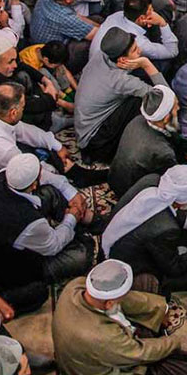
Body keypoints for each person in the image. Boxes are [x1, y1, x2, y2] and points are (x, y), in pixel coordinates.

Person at [0, 153, 94, 290]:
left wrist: (73, 195)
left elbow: (48, 178)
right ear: (33, 184)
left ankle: (76, 227)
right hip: (13, 269)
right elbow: (53, 246)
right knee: (82, 256)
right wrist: (71, 218)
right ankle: (78, 233)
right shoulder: (28, 222)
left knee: (50, 192)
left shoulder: (2, 177)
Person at [52, 259, 187, 374]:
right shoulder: (102, 336)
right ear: (109, 303)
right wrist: (174, 341)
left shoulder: (75, 286)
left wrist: (160, 309)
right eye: (119, 298)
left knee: (146, 280)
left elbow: (128, 299)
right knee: (179, 366)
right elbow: (141, 352)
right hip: (105, 367)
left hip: (107, 346)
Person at [76, 27, 170, 161]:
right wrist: (146, 64)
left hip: (86, 126)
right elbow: (165, 98)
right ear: (122, 60)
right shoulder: (121, 80)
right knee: (146, 102)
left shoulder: (102, 55)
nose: (140, 51)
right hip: (96, 142)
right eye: (134, 50)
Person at [103, 166, 187, 293]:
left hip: (115, 236)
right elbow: (174, 268)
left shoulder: (152, 180)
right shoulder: (166, 228)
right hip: (127, 265)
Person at [110, 86, 183, 198]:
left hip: (115, 179)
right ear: (166, 118)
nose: (178, 108)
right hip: (130, 194)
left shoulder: (137, 120)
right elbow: (173, 181)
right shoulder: (162, 151)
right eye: (175, 106)